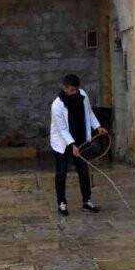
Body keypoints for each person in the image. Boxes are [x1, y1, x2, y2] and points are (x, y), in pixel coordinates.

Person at [50, 74, 108, 216]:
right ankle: (62, 203)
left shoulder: (82, 96)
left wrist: (98, 126)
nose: (74, 92)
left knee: (83, 171)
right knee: (61, 173)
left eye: (76, 89)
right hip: (62, 143)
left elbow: (89, 113)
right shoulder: (57, 105)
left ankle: (87, 201)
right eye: (71, 90)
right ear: (64, 88)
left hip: (81, 139)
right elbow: (62, 129)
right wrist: (72, 145)